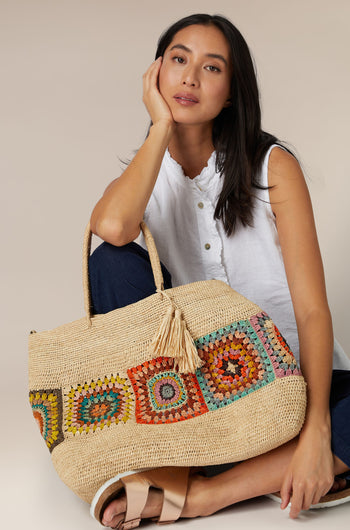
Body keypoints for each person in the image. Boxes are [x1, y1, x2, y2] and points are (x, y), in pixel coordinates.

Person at [89, 13, 350, 528]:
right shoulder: (148, 173)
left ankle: (206, 493)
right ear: (156, 73)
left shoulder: (271, 166)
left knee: (344, 414)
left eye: (211, 68)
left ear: (230, 93)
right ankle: (266, 464)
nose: (189, 78)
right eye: (179, 60)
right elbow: (112, 227)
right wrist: (160, 127)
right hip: (201, 396)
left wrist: (318, 428)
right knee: (112, 261)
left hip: (294, 385)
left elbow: (314, 309)